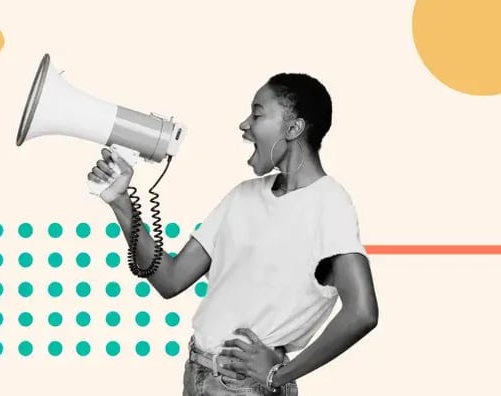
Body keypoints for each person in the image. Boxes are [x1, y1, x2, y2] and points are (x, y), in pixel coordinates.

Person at [88, 73, 379, 395]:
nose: (244, 125)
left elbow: (362, 312)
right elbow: (169, 280)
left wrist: (278, 375)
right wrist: (121, 203)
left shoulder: (329, 203)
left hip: (245, 387)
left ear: (293, 129)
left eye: (257, 114)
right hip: (197, 373)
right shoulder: (243, 196)